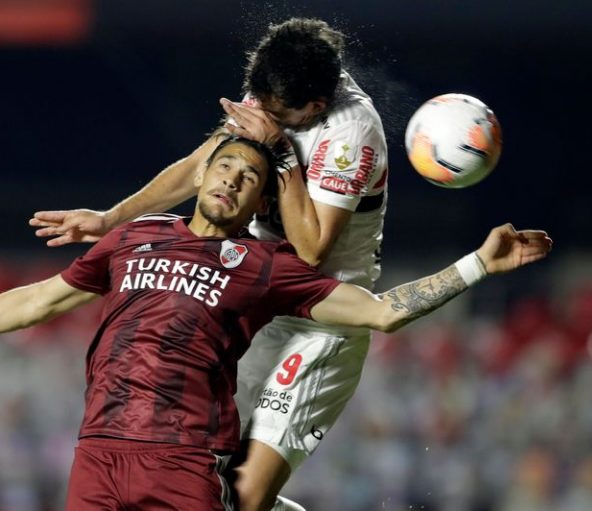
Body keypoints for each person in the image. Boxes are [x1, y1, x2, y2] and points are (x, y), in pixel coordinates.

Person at [0, 137, 551, 510]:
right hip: (99, 450)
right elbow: (38, 300)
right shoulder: (134, 237)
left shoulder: (266, 264)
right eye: (223, 164)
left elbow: (381, 313)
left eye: (249, 175)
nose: (232, 178)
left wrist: (478, 267)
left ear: (261, 200)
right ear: (201, 175)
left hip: (183, 462)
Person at [30, 17, 392, 510]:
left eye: (280, 116)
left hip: (322, 323)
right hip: (249, 303)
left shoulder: (351, 135)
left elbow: (310, 253)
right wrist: (111, 218)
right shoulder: (271, 95)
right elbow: (203, 165)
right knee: (197, 473)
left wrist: (281, 152)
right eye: (259, 105)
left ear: (316, 107)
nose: (264, 118)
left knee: (244, 497)